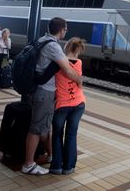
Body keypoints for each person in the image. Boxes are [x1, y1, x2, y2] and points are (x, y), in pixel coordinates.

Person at [21, 17, 83, 175]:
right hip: (44, 92)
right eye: (65, 29)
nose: (66, 32)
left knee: (44, 127)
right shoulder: (54, 46)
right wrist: (79, 80)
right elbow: (68, 71)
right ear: (61, 30)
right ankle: (28, 163)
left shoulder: (41, 39)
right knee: (36, 129)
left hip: (38, 89)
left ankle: (51, 155)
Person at [50, 37, 86, 175]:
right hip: (78, 103)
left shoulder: (58, 62)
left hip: (62, 105)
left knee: (57, 134)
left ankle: (56, 166)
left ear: (66, 47)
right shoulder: (79, 63)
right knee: (71, 134)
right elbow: (78, 81)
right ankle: (68, 167)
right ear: (78, 50)